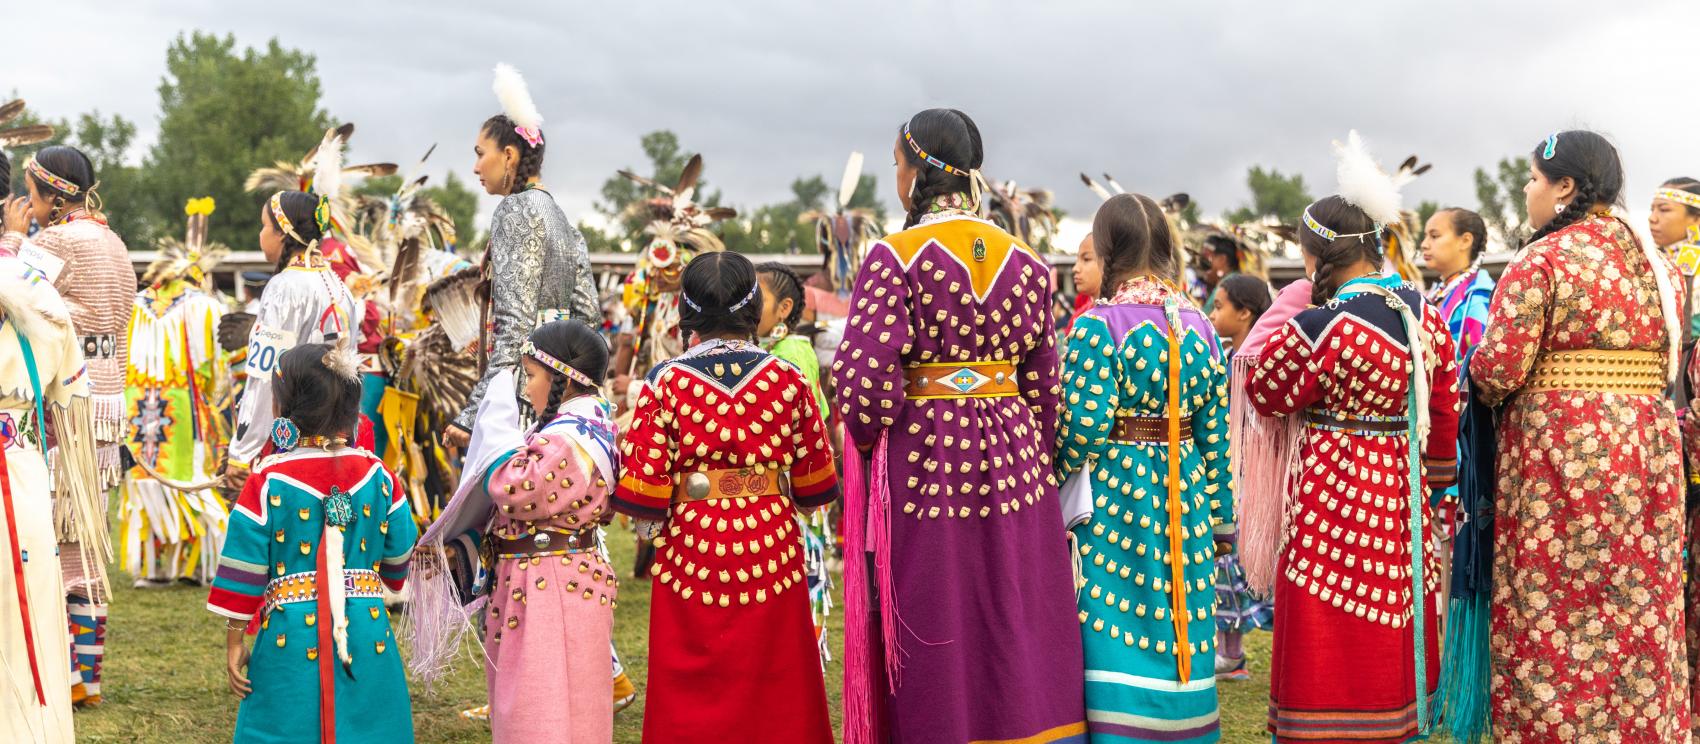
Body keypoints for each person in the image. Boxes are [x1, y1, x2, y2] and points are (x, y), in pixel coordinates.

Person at [833, 108, 1086, 744]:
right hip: (1016, 458)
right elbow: (1045, 385)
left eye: (896, 164)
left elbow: (863, 390)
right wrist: (1029, 445)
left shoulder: (894, 258)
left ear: (917, 170)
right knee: (1010, 605)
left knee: (939, 609)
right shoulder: (1028, 263)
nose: (896, 175)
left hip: (926, 461)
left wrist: (874, 436)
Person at [1472, 131, 1689, 741]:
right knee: (1638, 607)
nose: (1525, 189)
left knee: (1553, 608)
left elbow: (1498, 370)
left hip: (1561, 461)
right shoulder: (1659, 265)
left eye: (1534, 178)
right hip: (1646, 452)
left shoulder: (1541, 260)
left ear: (1565, 186)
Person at [1248, 132, 1461, 743]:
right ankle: (1390, 723)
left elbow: (1267, 390)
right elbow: (1443, 407)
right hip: (1399, 487)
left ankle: (1324, 725)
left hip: (1331, 485)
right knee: (1393, 605)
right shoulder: (1426, 315)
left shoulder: (1324, 324)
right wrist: (1435, 478)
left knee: (1326, 605)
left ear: (1321, 259)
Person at [613, 251, 840, 743]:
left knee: (692, 683)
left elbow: (642, 496)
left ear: (685, 311)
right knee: (775, 676)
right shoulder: (791, 379)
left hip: (694, 552)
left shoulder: (664, 383)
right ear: (754, 306)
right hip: (770, 549)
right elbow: (815, 487)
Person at [1054, 193, 1234, 740]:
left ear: (1109, 250)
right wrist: (1221, 520)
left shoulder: (1098, 325)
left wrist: (1048, 482)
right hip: (1186, 501)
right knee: (1180, 621)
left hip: (1117, 497)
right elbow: (1216, 437)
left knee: (1123, 619)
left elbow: (1082, 428)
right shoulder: (1201, 327)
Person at [410, 319, 617, 743]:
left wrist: (497, 424)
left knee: (541, 706)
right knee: (551, 700)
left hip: (551, 584)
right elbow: (512, 517)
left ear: (563, 378)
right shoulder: (577, 430)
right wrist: (458, 549)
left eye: (533, 375)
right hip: (548, 579)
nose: (526, 388)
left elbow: (516, 490)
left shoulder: (573, 439)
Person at [207, 342, 419, 743]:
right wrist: (380, 583)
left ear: (285, 406)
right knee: (371, 726)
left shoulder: (267, 480)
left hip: (289, 636)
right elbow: (399, 557)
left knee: (286, 726)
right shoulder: (379, 475)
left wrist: (235, 639)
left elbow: (244, 569)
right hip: (365, 631)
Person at [1, 145, 132, 705]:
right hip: (105, 409)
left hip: (60, 409)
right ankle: (89, 677)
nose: (25, 204)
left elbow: (16, 293)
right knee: (86, 538)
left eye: (31, 194)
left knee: (47, 542)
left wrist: (13, 237)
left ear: (53, 196)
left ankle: (66, 676)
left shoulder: (51, 242)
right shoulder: (113, 241)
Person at [444, 63, 598, 450]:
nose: (476, 166)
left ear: (509, 155)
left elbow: (514, 326)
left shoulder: (515, 211)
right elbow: (589, 317)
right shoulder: (563, 221)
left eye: (481, 154)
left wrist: (472, 412)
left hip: (518, 403)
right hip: (558, 399)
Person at [0, 255, 108, 743]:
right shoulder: (38, 286)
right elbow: (71, 395)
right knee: (29, 623)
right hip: (23, 473)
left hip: (19, 472)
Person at [121, 197, 230, 590]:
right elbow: (215, 369)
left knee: (146, 479)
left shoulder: (137, 305)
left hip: (139, 406)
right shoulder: (203, 306)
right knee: (187, 479)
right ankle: (197, 563)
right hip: (182, 408)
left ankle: (156, 566)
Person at [224, 190, 363, 489]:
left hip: (293, 441)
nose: (261, 234)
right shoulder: (340, 286)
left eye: (264, 225)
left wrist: (241, 452)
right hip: (339, 439)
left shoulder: (284, 287)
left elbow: (264, 376)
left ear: (283, 232)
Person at [756, 261, 836, 667]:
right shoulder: (767, 352)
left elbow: (797, 433)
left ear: (784, 308)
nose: (749, 302)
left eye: (760, 296)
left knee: (798, 584)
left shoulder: (793, 354)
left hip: (795, 495)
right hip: (773, 496)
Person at [1202, 271, 1273, 681]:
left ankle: (1233, 652)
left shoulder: (1256, 360)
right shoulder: (1229, 358)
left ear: (1244, 312)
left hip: (1250, 476)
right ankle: (1231, 652)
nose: (1212, 315)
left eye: (1220, 306)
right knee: (1226, 562)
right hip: (1234, 472)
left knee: (1237, 561)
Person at [1207, 274, 1272, 357]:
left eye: (1218, 307)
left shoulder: (1257, 362)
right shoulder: (1225, 355)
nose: (1211, 316)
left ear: (1244, 313)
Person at [1066, 232, 1103, 331]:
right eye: (1077, 260)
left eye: (1086, 259)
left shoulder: (1123, 316)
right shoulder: (1078, 318)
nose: (1075, 268)